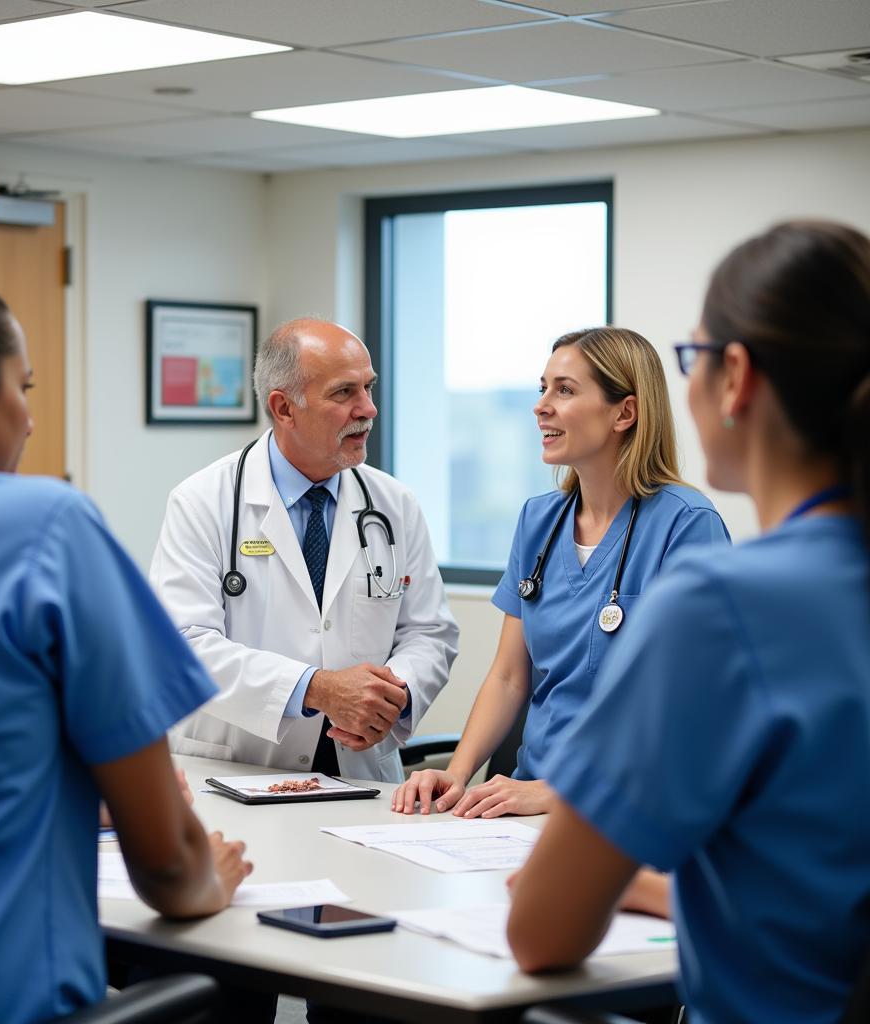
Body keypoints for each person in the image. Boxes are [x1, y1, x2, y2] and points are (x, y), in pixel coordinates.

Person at [0, 263, 251, 1024]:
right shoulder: (42, 526)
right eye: (23, 388)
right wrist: (212, 876)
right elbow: (169, 869)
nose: (29, 418)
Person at [507, 220, 870, 1024]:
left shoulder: (724, 601)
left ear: (734, 377)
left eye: (692, 358)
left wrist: (649, 886)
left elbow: (542, 931)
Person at [393, 327, 729, 817]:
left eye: (565, 390)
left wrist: (559, 794)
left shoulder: (687, 526)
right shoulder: (539, 520)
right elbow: (510, 676)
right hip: (524, 798)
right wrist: (458, 773)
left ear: (625, 413)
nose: (541, 406)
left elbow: (697, 705)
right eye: (542, 388)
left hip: (630, 806)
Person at [150, 317, 458, 783]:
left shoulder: (393, 504)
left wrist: (386, 699)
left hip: (361, 773)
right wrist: (315, 689)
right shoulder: (202, 502)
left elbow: (430, 632)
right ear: (284, 408)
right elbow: (183, 646)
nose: (369, 409)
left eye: (369, 389)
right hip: (239, 768)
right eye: (344, 393)